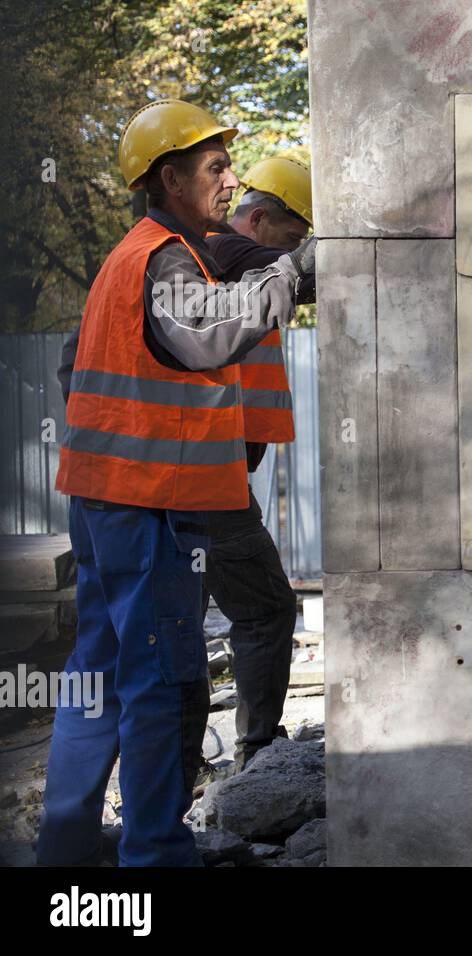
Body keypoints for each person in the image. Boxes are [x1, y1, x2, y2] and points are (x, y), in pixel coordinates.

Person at [39, 99, 315, 867]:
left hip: (102, 499)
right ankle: (155, 855)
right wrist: (293, 270)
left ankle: (63, 846)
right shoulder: (164, 257)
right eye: (216, 169)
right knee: (160, 676)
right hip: (150, 503)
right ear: (170, 178)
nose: (232, 182)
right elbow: (204, 336)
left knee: (96, 671)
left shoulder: (134, 253)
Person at [204, 155, 315, 771]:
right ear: (262, 218)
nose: (294, 249)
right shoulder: (222, 252)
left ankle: (175, 776)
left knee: (176, 620)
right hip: (203, 480)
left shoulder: (219, 265)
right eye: (292, 234)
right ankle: (257, 756)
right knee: (267, 607)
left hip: (207, 474)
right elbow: (303, 272)